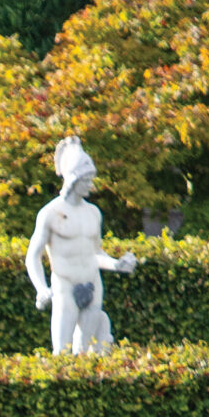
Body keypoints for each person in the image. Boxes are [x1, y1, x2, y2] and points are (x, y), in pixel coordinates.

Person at [25, 135, 137, 356]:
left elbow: (95, 253)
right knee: (62, 352)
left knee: (86, 352)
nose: (91, 185)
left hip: (93, 283)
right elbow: (33, 256)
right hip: (65, 287)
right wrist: (41, 288)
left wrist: (117, 265)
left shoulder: (93, 213)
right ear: (73, 179)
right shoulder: (50, 213)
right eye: (87, 180)